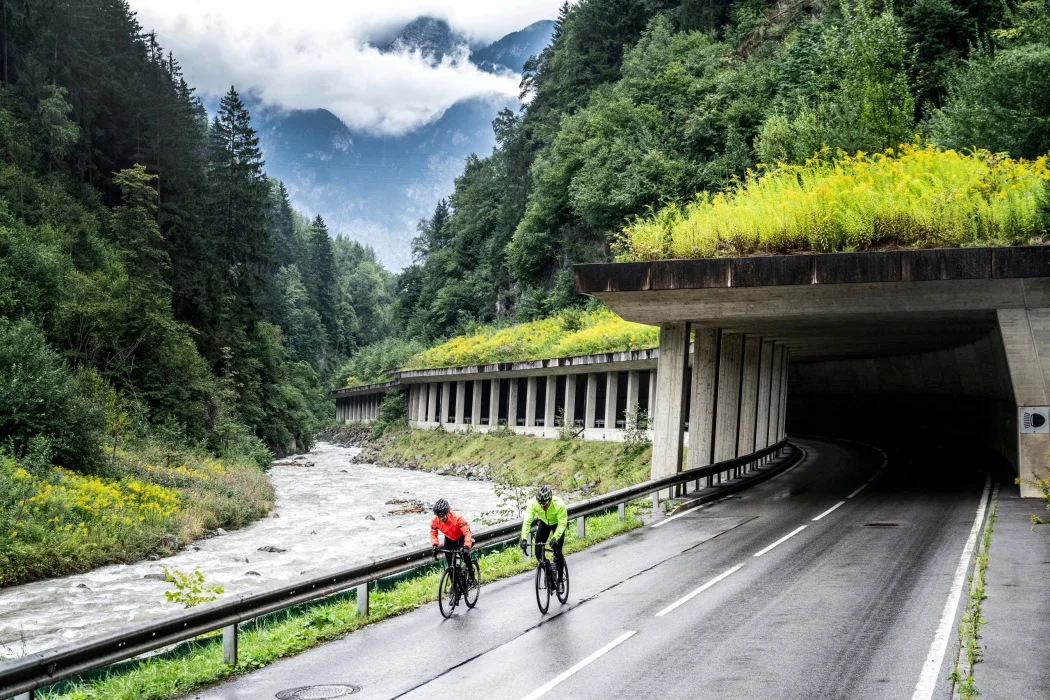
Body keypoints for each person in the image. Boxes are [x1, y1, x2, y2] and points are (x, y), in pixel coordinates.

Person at [520, 485, 568, 585]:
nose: (543, 507)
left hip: (557, 524)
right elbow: (527, 521)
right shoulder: (533, 503)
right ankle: (549, 571)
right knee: (538, 553)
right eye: (541, 505)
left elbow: (562, 523)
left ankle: (560, 581)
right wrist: (524, 538)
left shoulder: (559, 504)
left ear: (550, 500)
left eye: (545, 505)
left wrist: (555, 538)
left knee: (557, 552)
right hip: (544, 523)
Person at [430, 498, 474, 579]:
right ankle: (454, 584)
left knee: (464, 554)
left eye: (442, 516)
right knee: (450, 564)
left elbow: (467, 533)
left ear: (447, 512)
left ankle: (471, 572)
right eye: (439, 516)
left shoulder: (457, 518)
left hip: (462, 535)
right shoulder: (434, 521)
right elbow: (433, 534)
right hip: (449, 537)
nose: (441, 518)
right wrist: (435, 545)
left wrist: (467, 546)